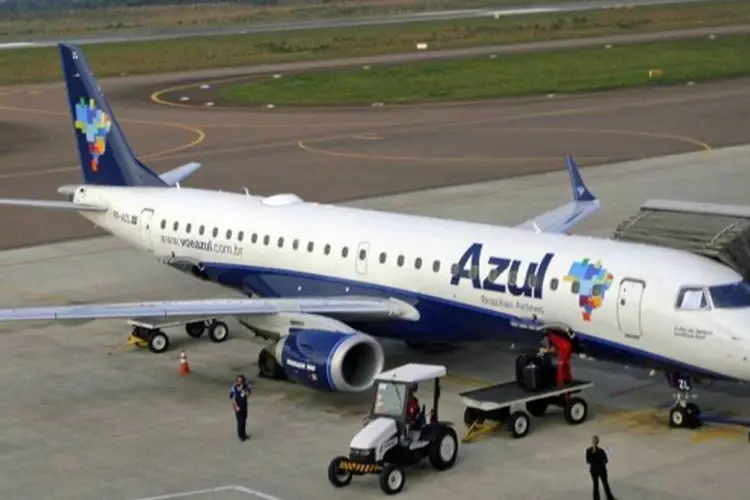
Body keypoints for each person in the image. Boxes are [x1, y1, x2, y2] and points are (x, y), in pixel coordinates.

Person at [586, 435, 617, 500]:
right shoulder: (601, 451)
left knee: (595, 485)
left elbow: (588, 461)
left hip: (593, 470)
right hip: (601, 470)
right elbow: (606, 460)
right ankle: (610, 498)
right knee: (605, 484)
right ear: (598, 442)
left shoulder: (588, 450)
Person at [229, 374, 252, 442]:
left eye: (241, 380)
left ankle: (244, 434)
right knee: (240, 421)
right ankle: (240, 436)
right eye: (238, 380)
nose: (239, 382)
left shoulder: (246, 386)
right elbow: (232, 398)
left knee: (244, 420)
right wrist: (236, 407)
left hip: (244, 405)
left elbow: (248, 394)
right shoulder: (233, 387)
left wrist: (243, 390)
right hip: (237, 406)